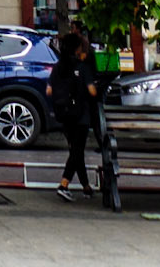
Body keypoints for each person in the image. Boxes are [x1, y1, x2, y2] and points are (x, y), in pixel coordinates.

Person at [47, 28, 98, 201]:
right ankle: (64, 184)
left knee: (76, 151)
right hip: (81, 115)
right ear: (77, 49)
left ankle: (86, 187)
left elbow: (49, 90)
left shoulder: (58, 68)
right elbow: (92, 91)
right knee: (77, 151)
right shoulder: (81, 67)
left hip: (64, 114)